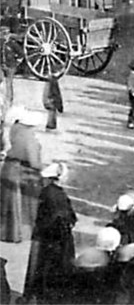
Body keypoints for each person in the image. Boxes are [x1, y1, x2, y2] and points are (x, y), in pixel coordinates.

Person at [23, 162, 77, 304]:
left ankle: (34, 296)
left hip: (46, 237)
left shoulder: (46, 192)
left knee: (40, 269)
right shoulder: (60, 195)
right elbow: (71, 218)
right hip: (60, 239)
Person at [0, 107, 44, 242]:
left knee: (8, 203)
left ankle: (6, 232)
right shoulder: (28, 137)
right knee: (19, 204)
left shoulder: (15, 130)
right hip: (21, 170)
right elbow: (33, 159)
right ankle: (16, 234)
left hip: (9, 167)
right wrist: (41, 168)